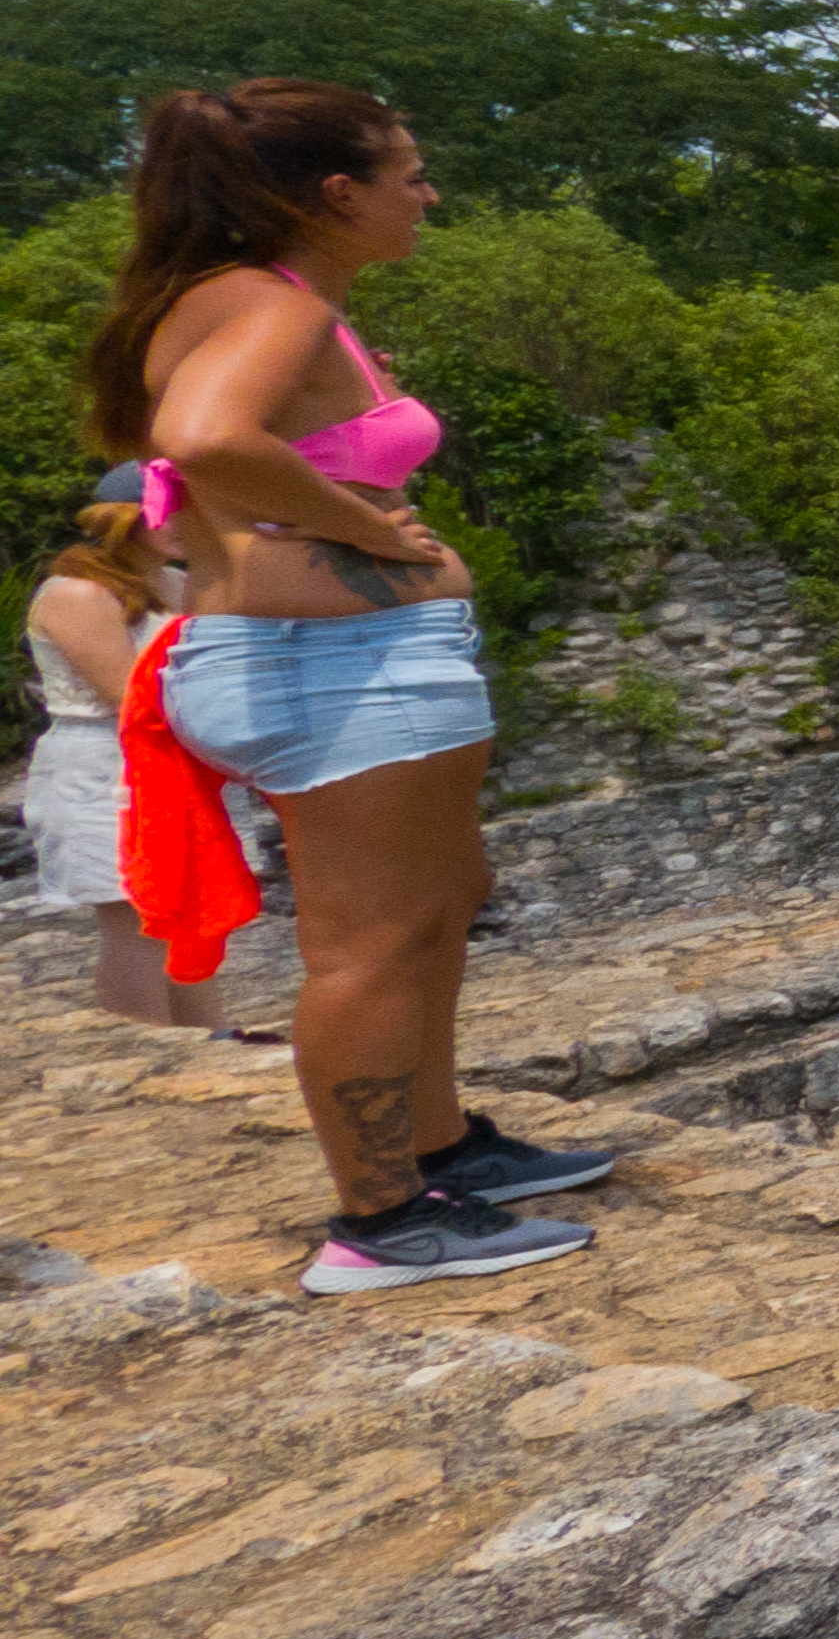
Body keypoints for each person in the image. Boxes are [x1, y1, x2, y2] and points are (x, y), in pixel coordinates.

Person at [87, 85, 617, 1291]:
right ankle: (381, 1221)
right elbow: (208, 436)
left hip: (337, 660)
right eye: (408, 173)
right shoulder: (276, 307)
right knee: (368, 945)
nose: (426, 195)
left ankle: (440, 1149)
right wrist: (366, 528)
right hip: (326, 664)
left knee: (440, 902)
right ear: (339, 194)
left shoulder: (248, 298)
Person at [24, 475, 264, 1038]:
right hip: (107, 764)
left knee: (189, 910)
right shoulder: (77, 593)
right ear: (124, 519)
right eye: (170, 512)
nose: (187, 524)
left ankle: (210, 1033)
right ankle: (149, 1042)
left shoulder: (177, 583)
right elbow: (128, 695)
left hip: (182, 758)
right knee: (135, 916)